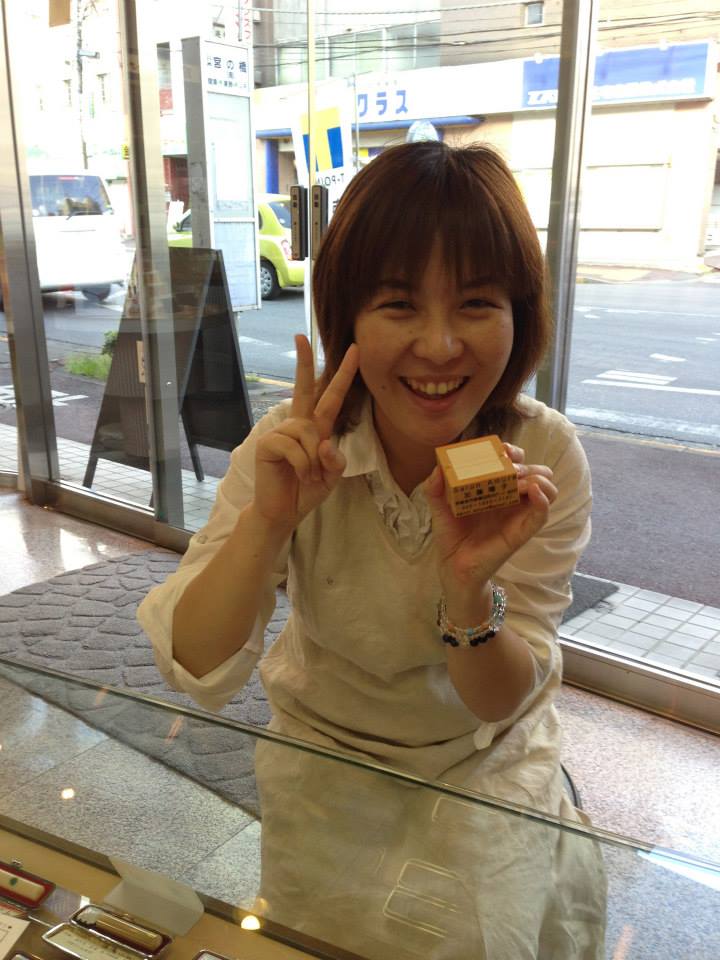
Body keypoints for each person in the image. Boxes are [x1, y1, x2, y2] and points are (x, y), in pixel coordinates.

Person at [138, 140, 605, 958]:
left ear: (520, 314)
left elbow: (498, 700)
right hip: (328, 753)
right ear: (347, 316)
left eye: (476, 303)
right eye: (398, 304)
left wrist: (468, 590)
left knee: (479, 940)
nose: (440, 346)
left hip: (485, 757)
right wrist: (266, 523)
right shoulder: (292, 446)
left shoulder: (542, 456)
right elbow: (193, 661)